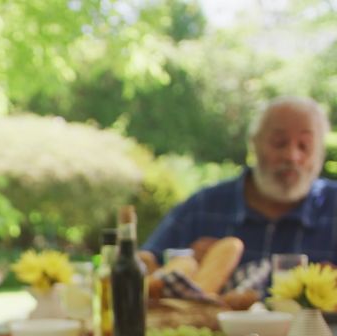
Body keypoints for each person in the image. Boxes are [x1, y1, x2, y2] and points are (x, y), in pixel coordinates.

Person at [141, 96, 337, 291]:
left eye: (304, 146)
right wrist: (186, 266)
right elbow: (141, 267)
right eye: (279, 143)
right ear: (254, 144)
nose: (291, 156)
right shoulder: (202, 208)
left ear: (320, 153)